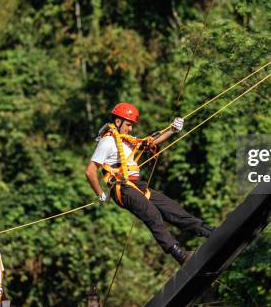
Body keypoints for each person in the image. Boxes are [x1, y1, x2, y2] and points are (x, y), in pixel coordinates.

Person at [85, 102, 214, 264]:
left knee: (172, 209)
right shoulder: (108, 142)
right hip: (122, 189)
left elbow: (150, 143)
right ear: (118, 122)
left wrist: (172, 130)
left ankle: (210, 232)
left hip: (137, 185)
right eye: (128, 125)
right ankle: (180, 255)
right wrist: (100, 194)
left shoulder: (126, 140)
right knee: (152, 213)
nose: (130, 129)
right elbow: (90, 171)